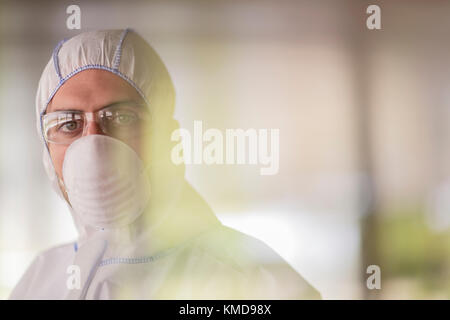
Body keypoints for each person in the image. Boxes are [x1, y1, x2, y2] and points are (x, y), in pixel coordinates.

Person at [9, 29, 320, 300]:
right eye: (69, 124)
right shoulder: (39, 281)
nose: (93, 144)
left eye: (121, 118)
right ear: (47, 151)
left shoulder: (255, 282)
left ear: (165, 137)